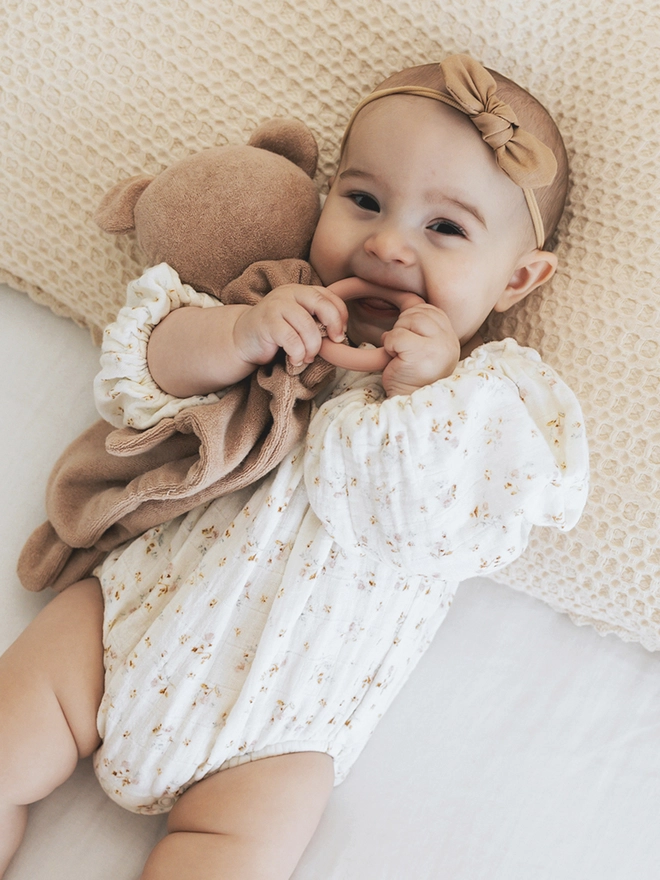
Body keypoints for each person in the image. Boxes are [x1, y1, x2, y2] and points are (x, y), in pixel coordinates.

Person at [0, 55, 588, 880]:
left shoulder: (494, 399)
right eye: (363, 202)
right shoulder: (276, 305)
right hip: (125, 617)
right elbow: (144, 376)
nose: (387, 244)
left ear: (518, 278)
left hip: (282, 725)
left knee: (231, 857)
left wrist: (419, 393)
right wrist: (239, 335)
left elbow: (464, 525)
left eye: (445, 228)